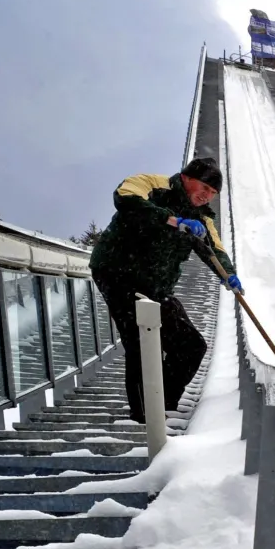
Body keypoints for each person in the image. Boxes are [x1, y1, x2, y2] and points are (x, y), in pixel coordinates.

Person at [89, 157, 242, 424]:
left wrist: (228, 275)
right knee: (141, 342)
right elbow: (125, 199)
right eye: (204, 189)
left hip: (157, 285)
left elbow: (214, 250)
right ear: (186, 178)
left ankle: (164, 402)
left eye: (213, 194)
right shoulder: (151, 185)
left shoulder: (202, 218)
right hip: (118, 273)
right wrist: (172, 220)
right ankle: (144, 416)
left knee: (192, 346)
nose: (207, 197)